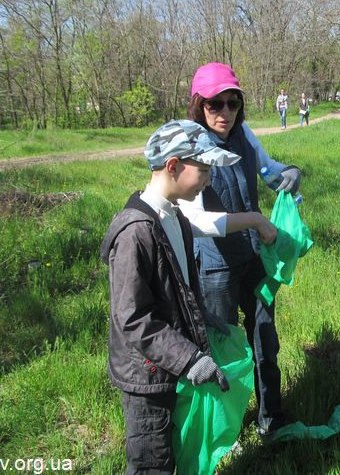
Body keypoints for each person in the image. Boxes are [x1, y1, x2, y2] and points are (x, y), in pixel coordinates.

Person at [100, 119, 240, 475]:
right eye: (203, 170)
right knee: (153, 462)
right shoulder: (135, 232)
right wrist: (190, 359)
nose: (208, 180)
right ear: (173, 165)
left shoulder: (175, 219)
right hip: (147, 377)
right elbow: (133, 317)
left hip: (171, 365)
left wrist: (205, 319)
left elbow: (180, 288)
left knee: (176, 450)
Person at [181, 62, 302, 442]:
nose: (225, 112)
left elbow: (269, 170)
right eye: (215, 104)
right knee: (221, 352)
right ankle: (226, 437)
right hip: (215, 269)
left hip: (254, 259)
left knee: (265, 338)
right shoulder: (190, 146)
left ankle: (271, 419)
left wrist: (290, 173)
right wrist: (253, 219)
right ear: (199, 105)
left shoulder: (244, 135)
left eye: (233, 103)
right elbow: (195, 221)